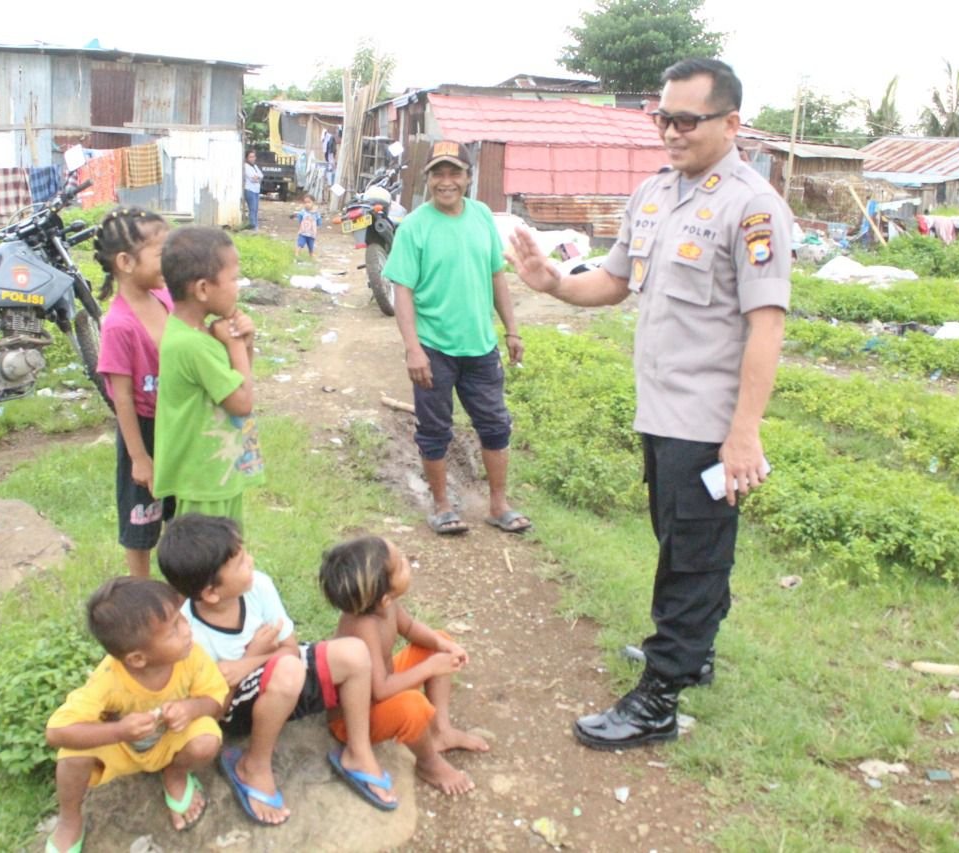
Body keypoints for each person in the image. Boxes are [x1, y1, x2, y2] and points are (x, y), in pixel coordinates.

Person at [507, 58, 791, 750]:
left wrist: (745, 434)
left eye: (687, 120)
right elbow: (612, 282)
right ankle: (694, 650)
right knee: (678, 539)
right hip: (659, 411)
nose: (670, 131)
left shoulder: (753, 208)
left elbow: (767, 327)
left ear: (731, 123)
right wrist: (551, 282)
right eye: (663, 118)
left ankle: (660, 696)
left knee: (694, 556)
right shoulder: (655, 194)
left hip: (709, 421)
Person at [157, 514, 399, 825]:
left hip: (281, 675)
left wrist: (250, 659)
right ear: (211, 593)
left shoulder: (259, 585)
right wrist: (259, 656)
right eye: (241, 563)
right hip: (238, 709)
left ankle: (358, 753)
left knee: (354, 652)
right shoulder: (192, 634)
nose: (251, 561)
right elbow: (216, 710)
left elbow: (289, 648)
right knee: (287, 669)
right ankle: (253, 766)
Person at [385, 140, 530, 537]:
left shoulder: (481, 216)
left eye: (454, 173)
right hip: (433, 348)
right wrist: (413, 349)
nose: (445, 181)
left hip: (480, 346)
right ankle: (442, 506)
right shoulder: (415, 226)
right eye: (438, 173)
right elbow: (402, 291)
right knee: (434, 429)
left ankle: (498, 505)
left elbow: (496, 275)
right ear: (428, 179)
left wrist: (511, 329)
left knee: (495, 425)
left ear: (468, 178)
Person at [45, 577, 227, 852]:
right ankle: (70, 820)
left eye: (181, 618)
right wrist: (118, 731)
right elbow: (56, 733)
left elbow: (215, 699)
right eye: (173, 630)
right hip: (120, 748)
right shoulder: (108, 680)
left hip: (169, 740)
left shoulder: (191, 656)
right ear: (138, 659)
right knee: (72, 756)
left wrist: (191, 709)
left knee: (207, 739)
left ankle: (175, 774)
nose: (187, 629)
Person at [319, 535, 489, 795]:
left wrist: (441, 645)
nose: (407, 562)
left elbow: (409, 628)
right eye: (400, 565)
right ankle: (428, 763)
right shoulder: (362, 627)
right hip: (355, 718)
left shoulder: (385, 606)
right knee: (413, 706)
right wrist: (430, 667)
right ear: (385, 598)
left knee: (439, 641)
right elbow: (380, 691)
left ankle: (441, 731)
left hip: (385, 684)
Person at [154, 227, 264, 529]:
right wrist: (235, 344)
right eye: (233, 279)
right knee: (210, 556)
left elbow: (236, 378)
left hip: (218, 474)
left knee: (228, 553)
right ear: (203, 288)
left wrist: (246, 344)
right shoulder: (193, 345)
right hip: (203, 482)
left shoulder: (195, 334)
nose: (238, 287)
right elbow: (242, 403)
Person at [94, 206, 171, 578]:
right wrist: (140, 457)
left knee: (179, 512)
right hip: (142, 429)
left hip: (175, 423)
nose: (170, 261)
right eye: (161, 253)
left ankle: (182, 583)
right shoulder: (118, 325)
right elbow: (121, 398)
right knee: (141, 514)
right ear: (125, 262)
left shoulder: (166, 300)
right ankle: (141, 590)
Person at [292, 194, 321, 258]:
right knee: (300, 243)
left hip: (312, 232)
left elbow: (318, 220)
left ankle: (311, 254)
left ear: (313, 203)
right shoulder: (303, 211)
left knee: (311, 245)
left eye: (309, 202)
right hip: (303, 231)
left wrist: (318, 224)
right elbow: (300, 218)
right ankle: (297, 253)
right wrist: (301, 223)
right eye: (305, 202)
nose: (307, 204)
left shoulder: (316, 212)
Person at [243, 150, 263, 230]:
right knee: (252, 209)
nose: (252, 158)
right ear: (247, 158)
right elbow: (252, 178)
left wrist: (257, 178)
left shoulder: (254, 166)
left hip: (256, 190)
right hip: (249, 190)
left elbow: (261, 175)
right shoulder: (246, 166)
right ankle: (253, 226)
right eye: (250, 157)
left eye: (253, 157)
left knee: (256, 209)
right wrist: (258, 178)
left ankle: (255, 226)